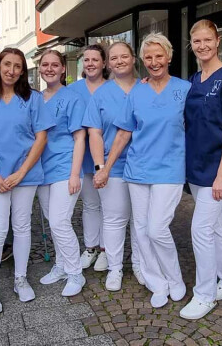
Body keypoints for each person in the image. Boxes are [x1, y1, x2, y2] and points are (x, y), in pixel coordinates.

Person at [98, 34, 190, 309]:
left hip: (170, 169)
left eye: (159, 56)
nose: (154, 62)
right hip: (137, 170)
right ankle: (156, 281)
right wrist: (107, 167)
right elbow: (124, 132)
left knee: (156, 227)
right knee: (141, 229)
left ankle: (175, 279)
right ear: (143, 60)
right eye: (148, 57)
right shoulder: (137, 91)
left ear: (169, 57)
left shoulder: (184, 89)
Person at [0, 48, 54, 315]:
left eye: (17, 66)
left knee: (22, 225)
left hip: (25, 175)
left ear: (23, 70)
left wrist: (21, 173)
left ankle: (20, 278)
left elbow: (41, 138)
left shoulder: (33, 99)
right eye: (7, 64)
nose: (11, 70)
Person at [178, 20, 222, 320]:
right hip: (197, 168)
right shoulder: (194, 79)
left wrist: (221, 174)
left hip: (220, 171)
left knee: (201, 228)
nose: (202, 45)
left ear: (218, 42)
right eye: (196, 41)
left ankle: (205, 295)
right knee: (215, 227)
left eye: (208, 40)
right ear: (191, 45)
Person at [85, 41, 145, 292]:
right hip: (112, 167)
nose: (119, 61)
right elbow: (95, 133)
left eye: (124, 56)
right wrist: (100, 167)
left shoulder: (147, 88)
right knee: (114, 219)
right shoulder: (101, 94)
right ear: (108, 63)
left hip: (144, 165)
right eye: (114, 58)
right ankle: (115, 268)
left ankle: (142, 266)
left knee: (142, 221)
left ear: (133, 59)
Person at [35, 51, 87, 297]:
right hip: (41, 170)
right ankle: (61, 265)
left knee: (59, 221)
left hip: (65, 167)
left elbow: (79, 138)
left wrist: (75, 173)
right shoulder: (37, 99)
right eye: (45, 65)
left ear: (63, 69)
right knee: (52, 220)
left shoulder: (72, 98)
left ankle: (76, 272)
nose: (49, 68)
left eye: (55, 65)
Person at [66, 45, 109, 271]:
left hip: (108, 158)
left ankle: (106, 250)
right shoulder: (73, 90)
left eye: (95, 59)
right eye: (87, 60)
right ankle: (90, 247)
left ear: (104, 63)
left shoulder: (113, 88)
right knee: (91, 205)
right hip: (83, 159)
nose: (90, 63)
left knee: (108, 207)